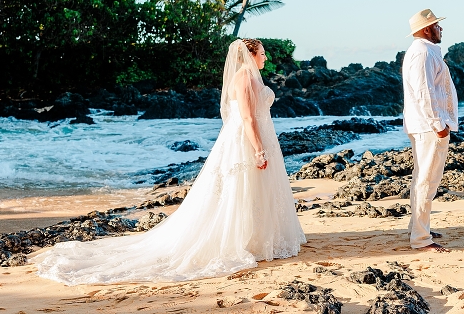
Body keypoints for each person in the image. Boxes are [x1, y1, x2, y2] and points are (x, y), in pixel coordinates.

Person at [33, 39, 306, 285]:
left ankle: (257, 238)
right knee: (241, 190)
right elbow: (247, 118)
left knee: (252, 191)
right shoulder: (245, 78)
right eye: (262, 53)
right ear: (250, 55)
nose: (266, 58)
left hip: (254, 137)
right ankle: (243, 241)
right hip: (246, 141)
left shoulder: (247, 76)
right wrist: (259, 149)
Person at [402, 9, 458, 252]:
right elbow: (424, 92)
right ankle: (421, 239)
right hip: (429, 127)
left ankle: (418, 229)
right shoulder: (423, 53)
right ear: (427, 29)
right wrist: (439, 126)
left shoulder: (425, 51)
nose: (441, 29)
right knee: (426, 180)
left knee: (422, 179)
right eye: (437, 25)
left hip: (426, 125)